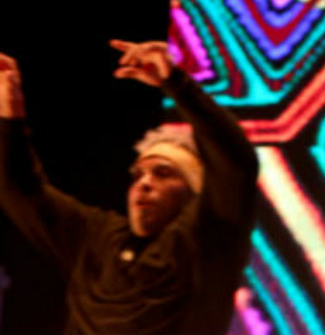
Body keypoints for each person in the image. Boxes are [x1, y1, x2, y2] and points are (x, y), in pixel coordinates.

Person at [0, 40, 258, 334]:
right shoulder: (98, 237)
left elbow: (236, 163)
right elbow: (22, 192)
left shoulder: (207, 239)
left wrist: (178, 84)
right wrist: (9, 112)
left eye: (163, 173)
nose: (144, 183)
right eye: (137, 175)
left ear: (193, 191)